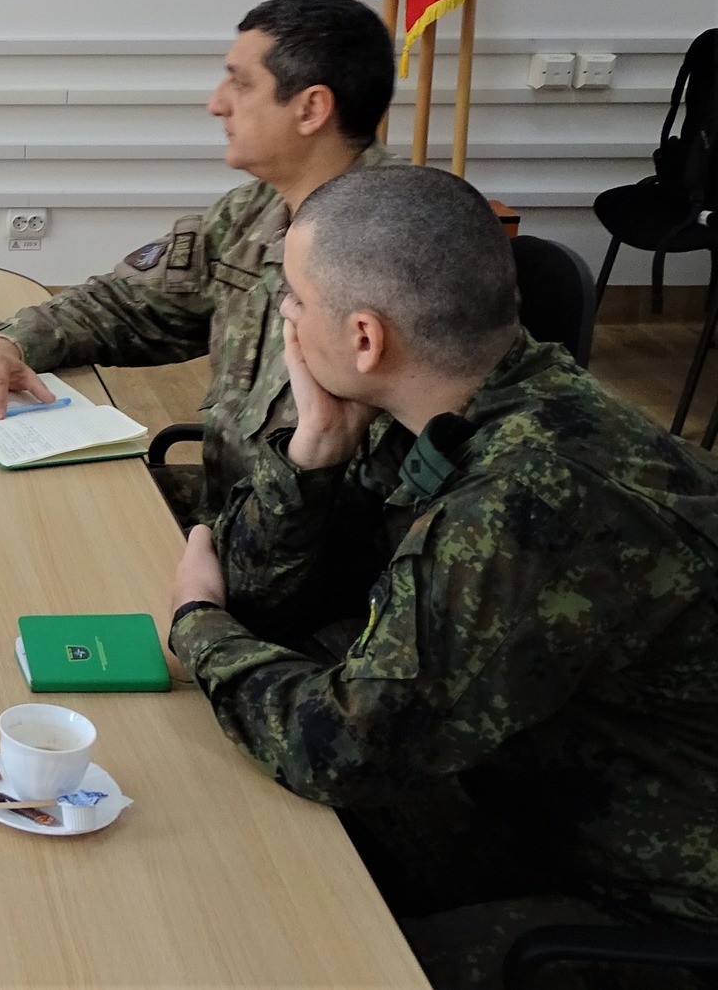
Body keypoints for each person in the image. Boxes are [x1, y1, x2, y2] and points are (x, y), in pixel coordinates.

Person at [167, 165, 718, 989]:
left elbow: (341, 748)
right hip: (529, 788)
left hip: (651, 898)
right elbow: (270, 597)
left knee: (298, 959)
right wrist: (314, 453)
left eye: (296, 299)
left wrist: (198, 625)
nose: (287, 317)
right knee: (217, 845)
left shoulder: (531, 496)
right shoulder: (467, 401)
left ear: (365, 338)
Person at [0, 0, 394, 526]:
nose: (217, 104)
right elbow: (127, 303)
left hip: (303, 548)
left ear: (311, 109)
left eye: (241, 83)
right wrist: (10, 343)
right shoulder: (254, 210)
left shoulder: (397, 251)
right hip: (228, 512)